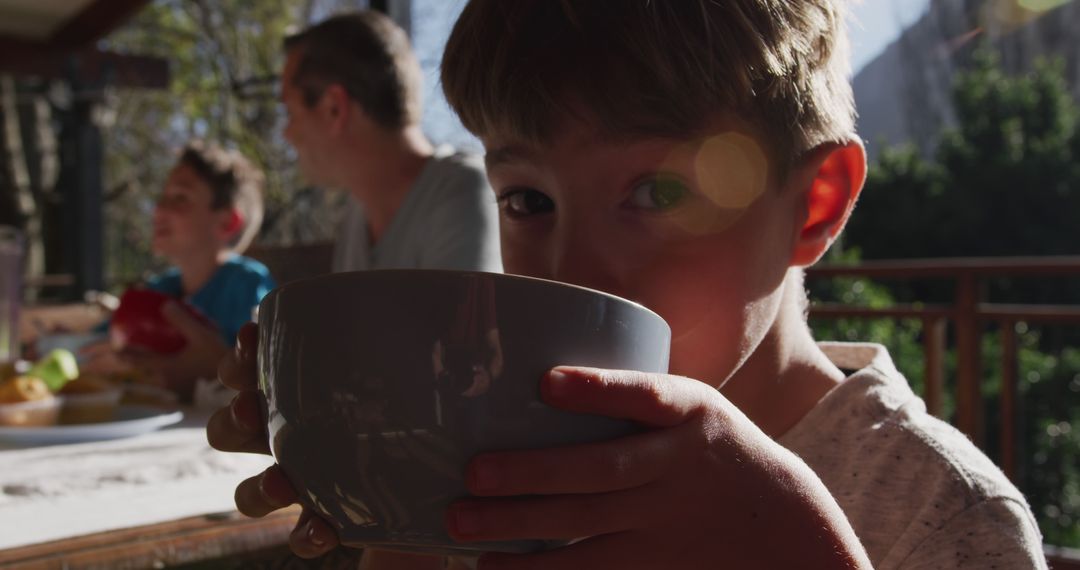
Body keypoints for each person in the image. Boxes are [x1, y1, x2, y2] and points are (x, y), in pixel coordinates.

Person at [208, 1, 1048, 569]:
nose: (571, 275)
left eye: (658, 192)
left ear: (813, 207)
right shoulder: (500, 463)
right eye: (529, 200)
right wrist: (402, 518)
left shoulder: (946, 517)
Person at [279, 11, 501, 273]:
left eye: (291, 113)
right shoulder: (357, 215)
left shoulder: (464, 191)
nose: (286, 134)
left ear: (334, 109)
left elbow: (467, 314)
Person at [85, 140, 275, 401]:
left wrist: (217, 366)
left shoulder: (247, 285)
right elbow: (95, 342)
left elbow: (266, 374)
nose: (159, 210)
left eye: (180, 198)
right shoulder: (162, 289)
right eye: (162, 198)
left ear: (227, 220)